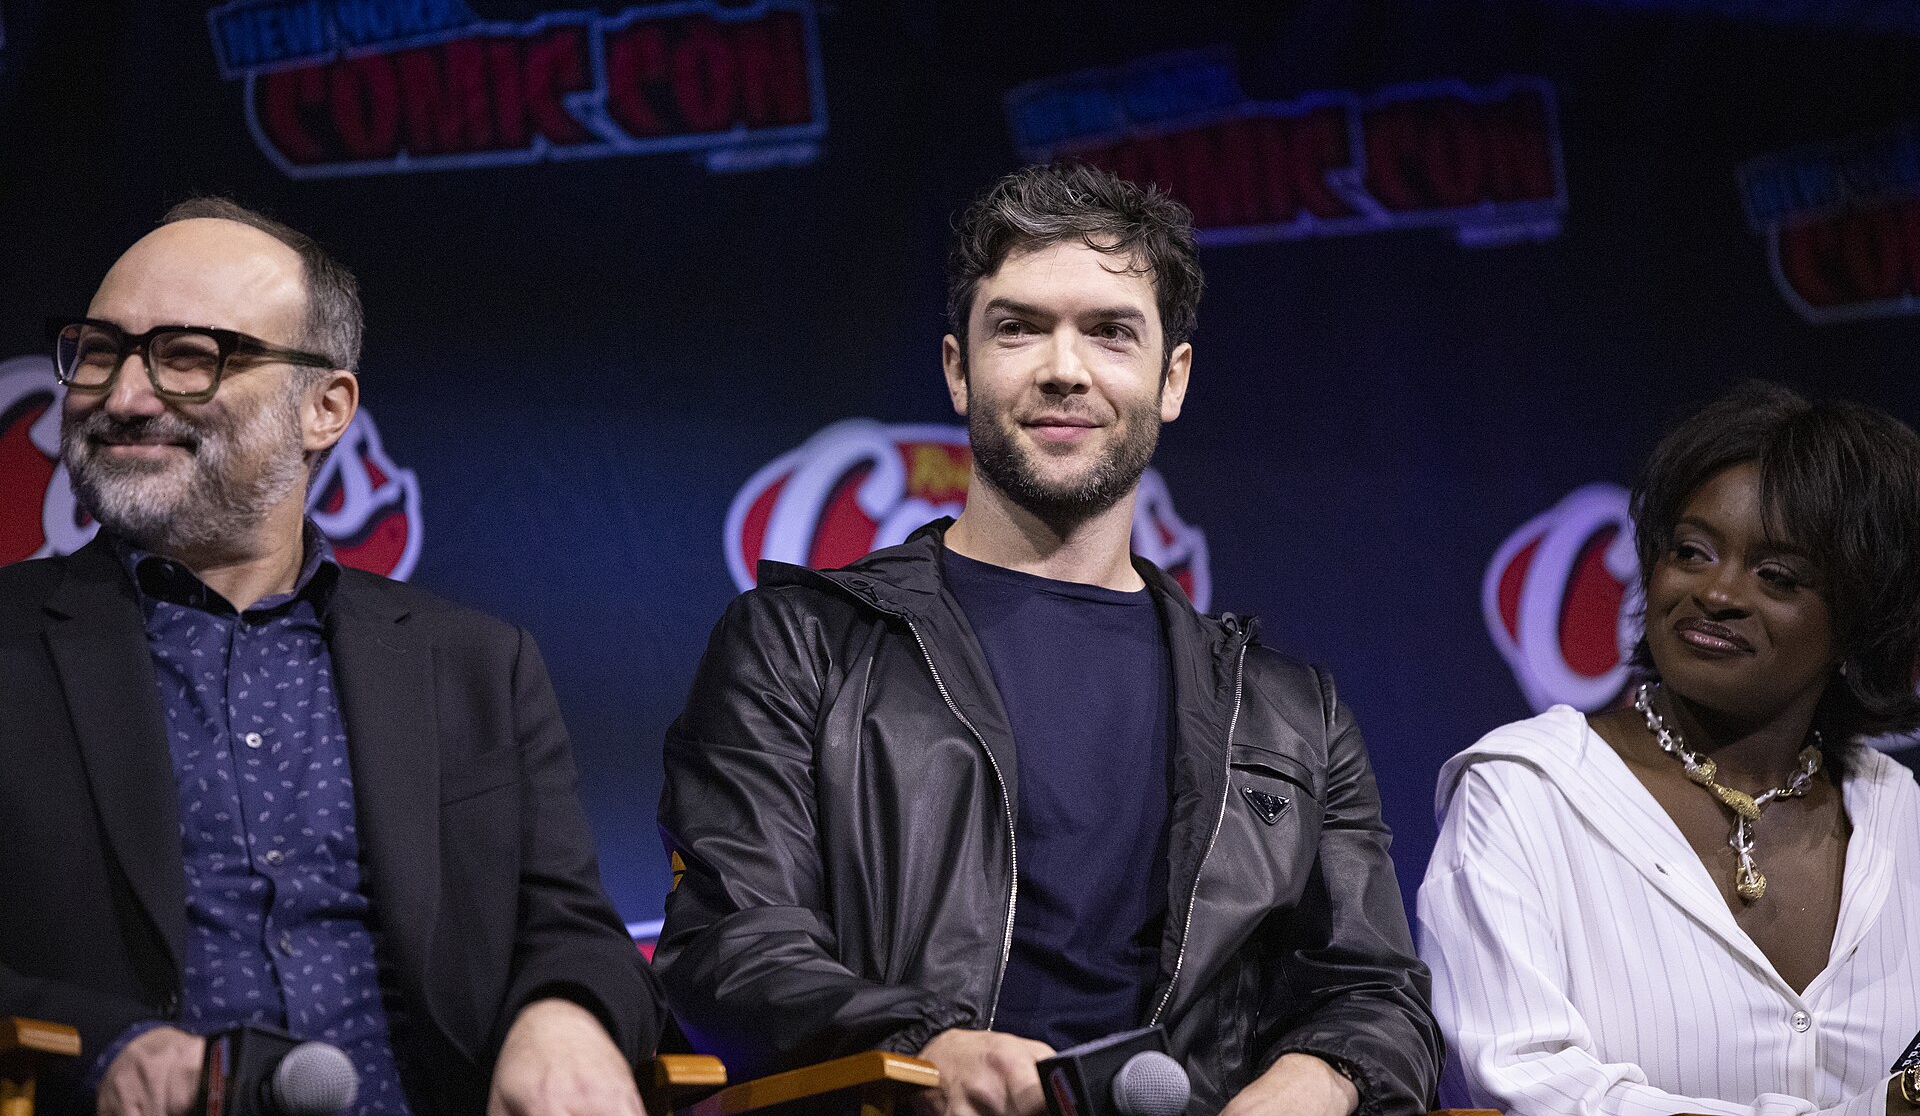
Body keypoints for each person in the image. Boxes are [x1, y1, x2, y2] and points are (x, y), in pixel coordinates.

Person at [655, 165, 1441, 1116]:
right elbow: (731, 945)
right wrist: (925, 1049)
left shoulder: (1288, 712)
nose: (1063, 368)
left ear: (1173, 378)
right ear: (957, 368)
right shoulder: (799, 644)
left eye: (1111, 332)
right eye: (1019, 327)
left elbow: (1376, 992)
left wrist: (1316, 1080)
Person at [0, 199, 666, 1116]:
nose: (122, 396)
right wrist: (101, 1047)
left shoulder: (474, 663)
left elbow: (577, 933)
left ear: (324, 408)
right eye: (101, 350)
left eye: (188, 358)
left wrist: (566, 1015)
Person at [1418, 381, 1920, 1116]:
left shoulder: (1900, 817)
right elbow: (1522, 1082)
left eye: (1776, 575)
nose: (1716, 592)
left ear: (1856, 621)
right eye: (1692, 552)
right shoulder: (1525, 791)